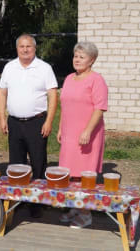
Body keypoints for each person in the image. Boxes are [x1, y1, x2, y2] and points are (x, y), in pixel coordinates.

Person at [0, 34, 58, 217]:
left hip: (37, 122)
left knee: (38, 162)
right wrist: (2, 118)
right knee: (17, 163)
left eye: (28, 46)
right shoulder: (9, 67)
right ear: (17, 49)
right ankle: (18, 200)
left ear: (34, 48)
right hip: (14, 122)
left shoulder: (44, 68)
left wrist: (48, 121)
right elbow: (2, 94)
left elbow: (53, 96)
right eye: (21, 46)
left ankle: (36, 203)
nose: (25, 49)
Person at [57, 41, 108, 228]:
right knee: (70, 174)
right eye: (75, 56)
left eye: (82, 57)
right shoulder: (69, 78)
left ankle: (86, 214)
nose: (77, 60)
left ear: (92, 60)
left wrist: (87, 130)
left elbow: (100, 108)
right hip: (70, 134)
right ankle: (75, 208)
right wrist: (61, 128)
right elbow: (65, 105)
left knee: (83, 176)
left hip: (88, 135)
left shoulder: (96, 79)